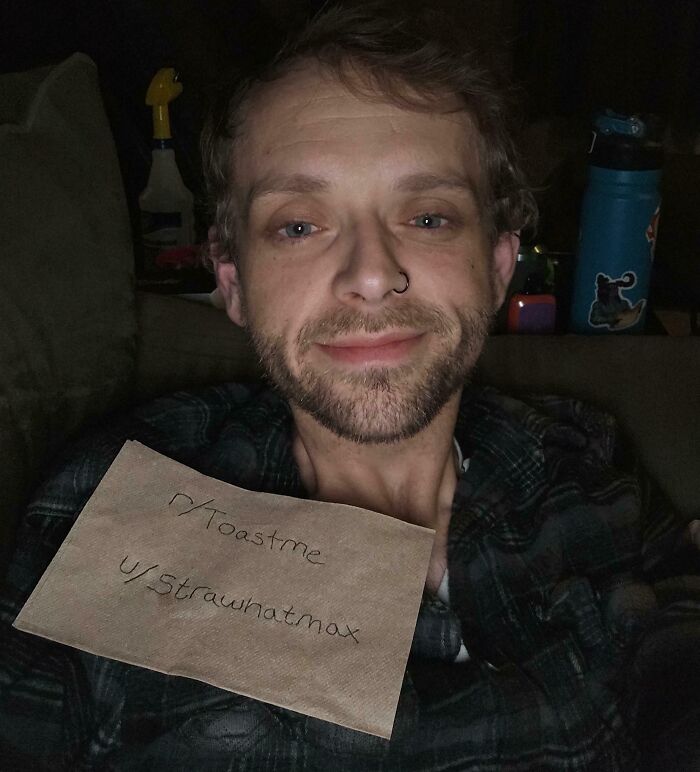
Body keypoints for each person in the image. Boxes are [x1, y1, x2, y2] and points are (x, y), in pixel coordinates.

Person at [1, 3, 698, 769]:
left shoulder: (588, 465)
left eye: (429, 218)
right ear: (232, 281)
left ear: (498, 265)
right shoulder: (100, 495)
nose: (371, 274)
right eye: (298, 226)